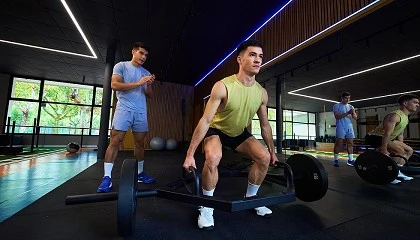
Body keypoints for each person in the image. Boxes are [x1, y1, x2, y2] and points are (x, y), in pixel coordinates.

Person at [182, 39, 278, 230]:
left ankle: (251, 198)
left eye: (260, 56)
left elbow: (265, 126)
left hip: (238, 133)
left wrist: (273, 151)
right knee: (213, 157)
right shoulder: (222, 86)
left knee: (264, 158)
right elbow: (205, 121)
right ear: (240, 60)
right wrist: (190, 154)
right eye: (252, 55)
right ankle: (207, 206)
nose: (258, 59)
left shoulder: (261, 93)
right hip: (216, 130)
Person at [97, 42, 156, 193]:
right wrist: (139, 82)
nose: (144, 57)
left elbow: (150, 95)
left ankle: (140, 173)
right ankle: (107, 178)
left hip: (141, 111)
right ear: (134, 52)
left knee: (140, 143)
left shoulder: (146, 72)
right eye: (141, 53)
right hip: (123, 110)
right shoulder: (121, 66)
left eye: (146, 55)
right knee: (115, 142)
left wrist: (148, 84)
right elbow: (115, 85)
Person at [365, 94, 419, 184]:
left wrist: (398, 146)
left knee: (409, 150)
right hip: (374, 137)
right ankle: (389, 174)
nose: (417, 105)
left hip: (388, 138)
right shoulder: (395, 116)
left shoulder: (405, 117)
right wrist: (384, 148)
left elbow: (400, 134)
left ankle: (397, 171)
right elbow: (387, 133)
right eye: (415, 102)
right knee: (400, 151)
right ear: (405, 103)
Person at [332, 92, 357, 167]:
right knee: (338, 144)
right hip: (340, 126)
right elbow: (337, 117)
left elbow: (355, 118)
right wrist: (348, 113)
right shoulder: (336, 106)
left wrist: (354, 114)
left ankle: (350, 160)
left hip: (349, 126)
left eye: (349, 98)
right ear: (342, 98)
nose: (347, 99)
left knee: (350, 143)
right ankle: (336, 160)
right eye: (346, 98)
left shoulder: (351, 106)